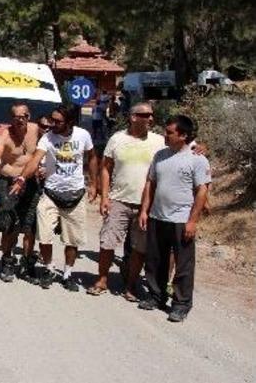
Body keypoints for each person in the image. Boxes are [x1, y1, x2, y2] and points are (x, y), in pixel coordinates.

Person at [13, 105, 98, 291]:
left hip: (75, 195)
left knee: (72, 240)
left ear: (70, 122)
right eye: (52, 120)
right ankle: (49, 269)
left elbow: (92, 157)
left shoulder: (83, 135)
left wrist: (93, 183)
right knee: (44, 237)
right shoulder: (47, 138)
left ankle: (67, 274)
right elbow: (35, 160)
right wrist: (21, 178)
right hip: (51, 195)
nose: (53, 124)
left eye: (58, 121)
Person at [138, 115, 211, 323]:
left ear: (183, 135)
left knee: (184, 265)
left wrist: (192, 221)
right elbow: (150, 183)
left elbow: (201, 191)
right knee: (155, 260)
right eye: (166, 131)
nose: (165, 135)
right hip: (157, 216)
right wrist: (145, 210)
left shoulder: (197, 159)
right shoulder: (160, 155)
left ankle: (181, 304)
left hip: (181, 220)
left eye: (170, 132)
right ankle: (156, 296)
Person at [88, 103, 164, 299]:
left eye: (151, 115)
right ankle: (102, 279)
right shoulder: (117, 139)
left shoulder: (159, 141)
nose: (150, 119)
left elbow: (184, 147)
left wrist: (198, 147)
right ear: (133, 117)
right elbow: (106, 168)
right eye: (145, 115)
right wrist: (104, 196)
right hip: (119, 200)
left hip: (146, 205)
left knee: (140, 248)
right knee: (108, 242)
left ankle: (130, 285)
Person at [0, 102, 43, 282]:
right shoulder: (5, 135)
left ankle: (27, 261)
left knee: (30, 225)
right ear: (11, 119)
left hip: (30, 182)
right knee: (10, 223)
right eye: (16, 117)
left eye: (23, 116)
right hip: (8, 182)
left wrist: (45, 166)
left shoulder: (36, 130)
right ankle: (7, 260)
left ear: (29, 116)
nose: (20, 120)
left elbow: (49, 147)